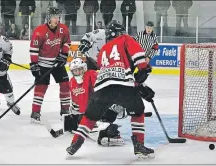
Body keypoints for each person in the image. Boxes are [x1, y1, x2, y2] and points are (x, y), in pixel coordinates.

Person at [66, 20, 155, 159]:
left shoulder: (103, 51)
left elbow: (109, 70)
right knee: (138, 112)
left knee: (89, 117)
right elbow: (138, 59)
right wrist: (144, 71)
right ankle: (139, 145)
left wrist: (137, 83)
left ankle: (75, 143)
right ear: (120, 33)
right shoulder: (125, 39)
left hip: (102, 88)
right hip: (123, 87)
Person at [67, 57, 125, 146]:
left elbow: (103, 89)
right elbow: (75, 100)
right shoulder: (72, 82)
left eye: (80, 69)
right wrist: (74, 113)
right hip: (87, 114)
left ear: (84, 68)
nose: (78, 72)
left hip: (100, 108)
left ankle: (107, 130)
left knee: (108, 113)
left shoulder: (91, 74)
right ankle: (104, 130)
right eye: (75, 71)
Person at [29, 7, 71, 124]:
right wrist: (34, 64)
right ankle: (35, 112)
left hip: (57, 63)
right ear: (48, 18)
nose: (56, 19)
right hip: (43, 64)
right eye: (54, 17)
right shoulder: (39, 31)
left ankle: (65, 110)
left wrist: (63, 55)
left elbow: (67, 42)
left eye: (58, 17)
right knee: (41, 87)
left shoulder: (63, 29)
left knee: (65, 84)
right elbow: (34, 49)